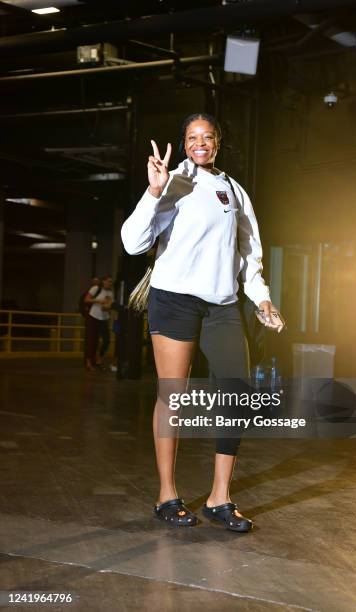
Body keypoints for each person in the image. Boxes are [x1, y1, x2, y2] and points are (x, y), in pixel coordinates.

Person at [121, 113, 285, 532]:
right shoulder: (173, 182)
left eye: (207, 136)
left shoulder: (233, 190)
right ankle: (166, 496)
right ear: (184, 142)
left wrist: (263, 299)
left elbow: (248, 254)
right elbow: (133, 241)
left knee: (236, 393)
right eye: (192, 137)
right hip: (174, 299)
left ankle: (219, 498)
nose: (201, 143)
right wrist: (153, 192)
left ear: (217, 142)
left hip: (222, 303)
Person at [84, 274, 114, 371]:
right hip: (93, 317)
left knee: (106, 340)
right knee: (92, 340)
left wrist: (108, 308)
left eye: (111, 282)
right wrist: (98, 301)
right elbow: (86, 299)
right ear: (103, 281)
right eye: (109, 281)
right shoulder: (96, 288)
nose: (110, 283)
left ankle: (99, 358)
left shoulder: (110, 293)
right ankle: (89, 362)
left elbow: (109, 305)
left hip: (104, 318)